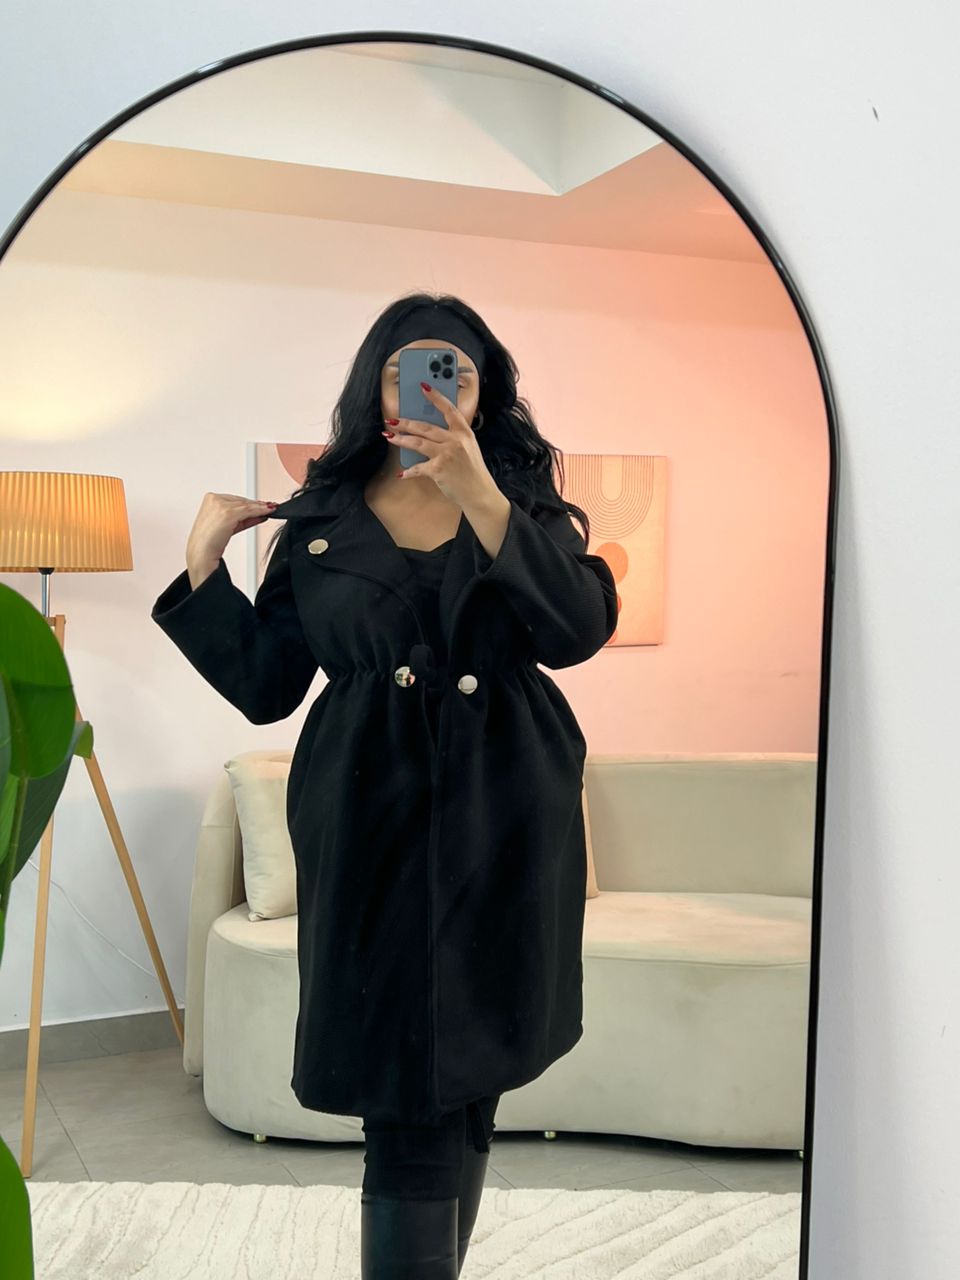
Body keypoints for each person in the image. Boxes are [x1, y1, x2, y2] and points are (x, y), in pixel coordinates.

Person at [151, 292, 619, 1277]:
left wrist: (483, 498)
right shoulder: (322, 517)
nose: (432, 389)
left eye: (458, 371)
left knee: (470, 1072)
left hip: (506, 810)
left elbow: (576, 631)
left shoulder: (522, 505)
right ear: (378, 383)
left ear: (484, 393)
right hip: (369, 812)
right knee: (403, 1083)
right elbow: (270, 684)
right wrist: (202, 574)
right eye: (411, 369)